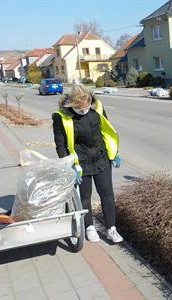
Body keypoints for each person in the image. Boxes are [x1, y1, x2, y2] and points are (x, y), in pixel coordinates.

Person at [52, 84, 123, 243]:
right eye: (80, 109)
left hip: (101, 157)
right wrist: (69, 165)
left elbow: (106, 130)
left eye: (86, 107)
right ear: (72, 104)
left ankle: (112, 228)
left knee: (107, 194)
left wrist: (114, 153)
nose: (84, 111)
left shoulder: (96, 107)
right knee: (85, 196)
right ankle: (89, 227)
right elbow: (60, 145)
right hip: (80, 162)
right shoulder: (61, 117)